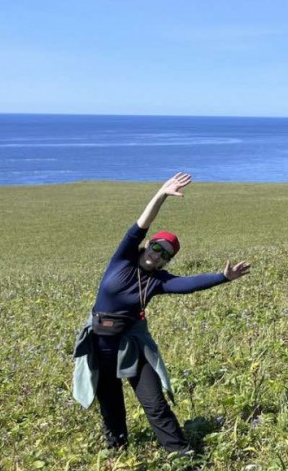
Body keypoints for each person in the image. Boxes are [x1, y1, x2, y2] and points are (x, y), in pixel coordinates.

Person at [73, 172, 251, 455]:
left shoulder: (158, 281)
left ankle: (181, 455)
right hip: (100, 342)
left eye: (165, 255)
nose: (157, 255)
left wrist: (223, 277)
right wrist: (161, 194)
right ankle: (117, 452)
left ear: (166, 262)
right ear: (148, 245)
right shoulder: (123, 260)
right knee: (110, 403)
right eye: (156, 247)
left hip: (131, 345)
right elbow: (141, 225)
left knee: (154, 403)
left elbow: (189, 284)